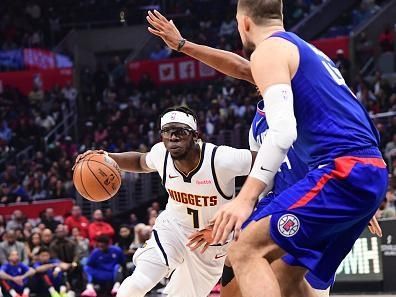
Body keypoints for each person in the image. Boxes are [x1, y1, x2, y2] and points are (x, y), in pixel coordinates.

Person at [147, 7, 384, 297]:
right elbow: (241, 68)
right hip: (352, 175)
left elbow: (284, 133)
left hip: (337, 176)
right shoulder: (302, 57)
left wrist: (243, 201)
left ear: (244, 23)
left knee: (245, 250)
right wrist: (183, 45)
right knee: (278, 277)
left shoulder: (272, 54)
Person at [74, 106, 255, 297]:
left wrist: (232, 222)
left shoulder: (222, 159)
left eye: (180, 132)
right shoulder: (161, 154)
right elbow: (140, 162)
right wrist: (106, 158)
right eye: (167, 132)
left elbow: (270, 166)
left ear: (195, 135)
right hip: (173, 230)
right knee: (137, 284)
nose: (173, 137)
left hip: (211, 242)